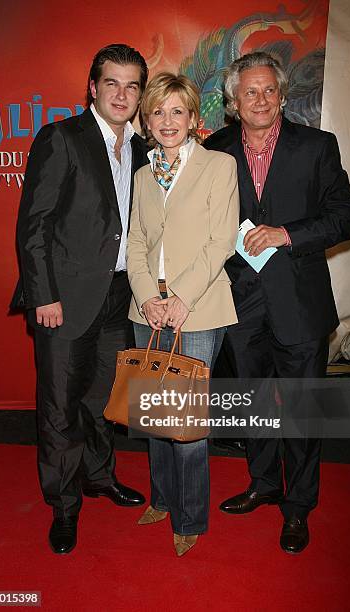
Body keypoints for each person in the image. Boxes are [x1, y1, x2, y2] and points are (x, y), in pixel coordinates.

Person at [204, 51, 350, 553]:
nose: (261, 99)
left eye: (269, 89)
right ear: (233, 101)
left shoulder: (317, 146)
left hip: (300, 303)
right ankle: (263, 483)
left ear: (283, 94)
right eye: (250, 91)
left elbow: (345, 218)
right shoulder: (215, 149)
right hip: (239, 305)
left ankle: (298, 507)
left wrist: (286, 234)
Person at [10, 44, 149, 554]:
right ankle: (64, 506)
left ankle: (99, 477)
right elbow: (34, 225)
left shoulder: (143, 148)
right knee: (60, 407)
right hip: (63, 300)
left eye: (132, 85)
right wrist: (42, 295)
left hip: (118, 297)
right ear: (93, 87)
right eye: (112, 83)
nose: (122, 93)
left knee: (102, 401)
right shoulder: (62, 138)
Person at [126, 72, 239, 556]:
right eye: (158, 111)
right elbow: (134, 243)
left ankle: (190, 517)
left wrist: (181, 298)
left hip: (199, 308)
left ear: (194, 119)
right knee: (154, 416)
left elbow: (221, 242)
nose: (167, 120)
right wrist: (148, 296)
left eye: (178, 111)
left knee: (187, 423)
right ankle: (162, 498)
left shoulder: (219, 165)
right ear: (146, 120)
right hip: (146, 308)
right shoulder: (142, 175)